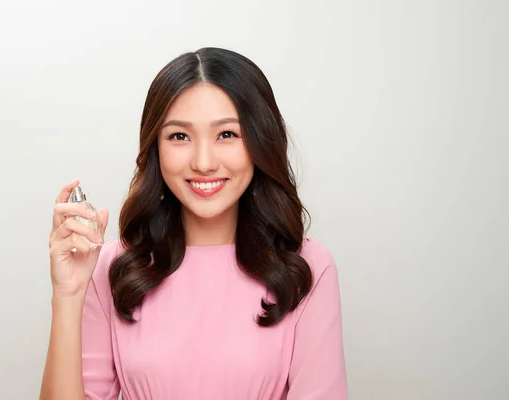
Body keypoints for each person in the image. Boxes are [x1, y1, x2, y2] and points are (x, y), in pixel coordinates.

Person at [40, 47, 348, 400]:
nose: (203, 162)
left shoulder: (306, 267)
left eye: (227, 135)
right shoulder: (113, 266)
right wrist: (67, 295)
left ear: (261, 141)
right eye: (180, 136)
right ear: (155, 147)